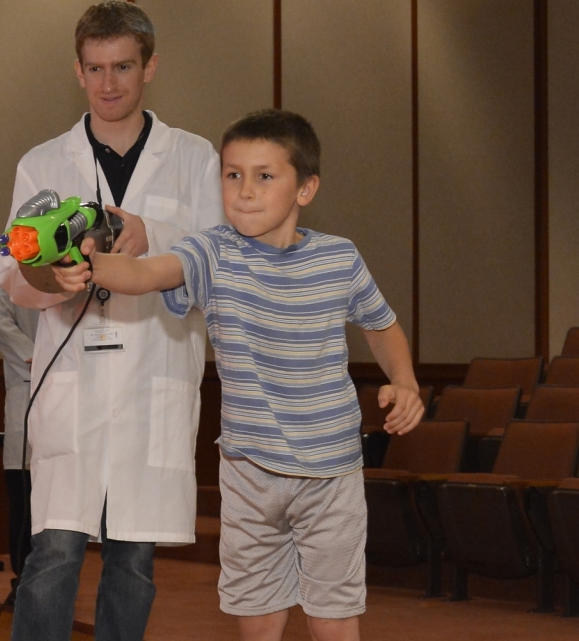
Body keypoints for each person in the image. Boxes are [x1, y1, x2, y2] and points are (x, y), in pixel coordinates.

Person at [56, 109, 425, 641]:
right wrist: (84, 263)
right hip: (249, 469)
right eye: (233, 175)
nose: (244, 191)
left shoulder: (339, 258)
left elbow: (382, 325)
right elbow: (141, 272)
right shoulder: (212, 252)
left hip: (331, 468)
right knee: (257, 608)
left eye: (264, 176)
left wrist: (405, 381)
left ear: (306, 188)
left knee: (334, 609)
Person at [0, 0, 225, 641]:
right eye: (95, 68)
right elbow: (13, 275)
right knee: (55, 553)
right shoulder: (42, 164)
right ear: (77, 71)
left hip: (153, 375)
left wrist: (155, 234)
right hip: (73, 381)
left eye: (123, 66)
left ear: (149, 66)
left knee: (134, 558)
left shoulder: (193, 157)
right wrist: (55, 278)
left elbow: (218, 261)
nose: (109, 84)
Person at [0, 280, 39, 585]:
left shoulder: (78, 270)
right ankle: (23, 578)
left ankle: (54, 579)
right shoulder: (9, 276)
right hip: (27, 388)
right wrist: (41, 358)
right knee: (23, 497)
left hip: (75, 391)